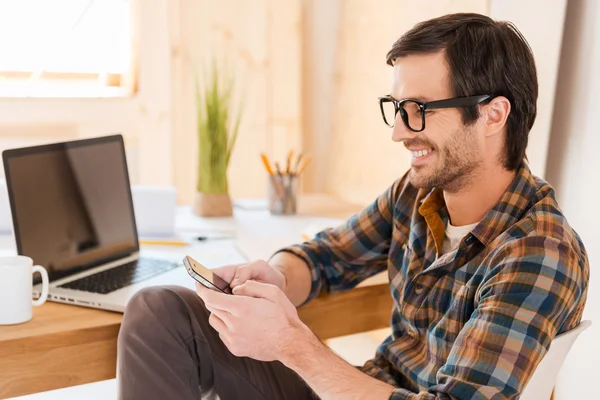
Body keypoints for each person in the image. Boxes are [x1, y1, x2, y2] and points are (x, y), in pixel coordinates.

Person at [117, 13, 589, 400]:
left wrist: (290, 344)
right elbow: (328, 256)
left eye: (419, 110)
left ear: (493, 114)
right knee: (161, 312)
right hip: (363, 389)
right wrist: (276, 277)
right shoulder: (418, 193)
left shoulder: (539, 252)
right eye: (397, 107)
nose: (400, 132)